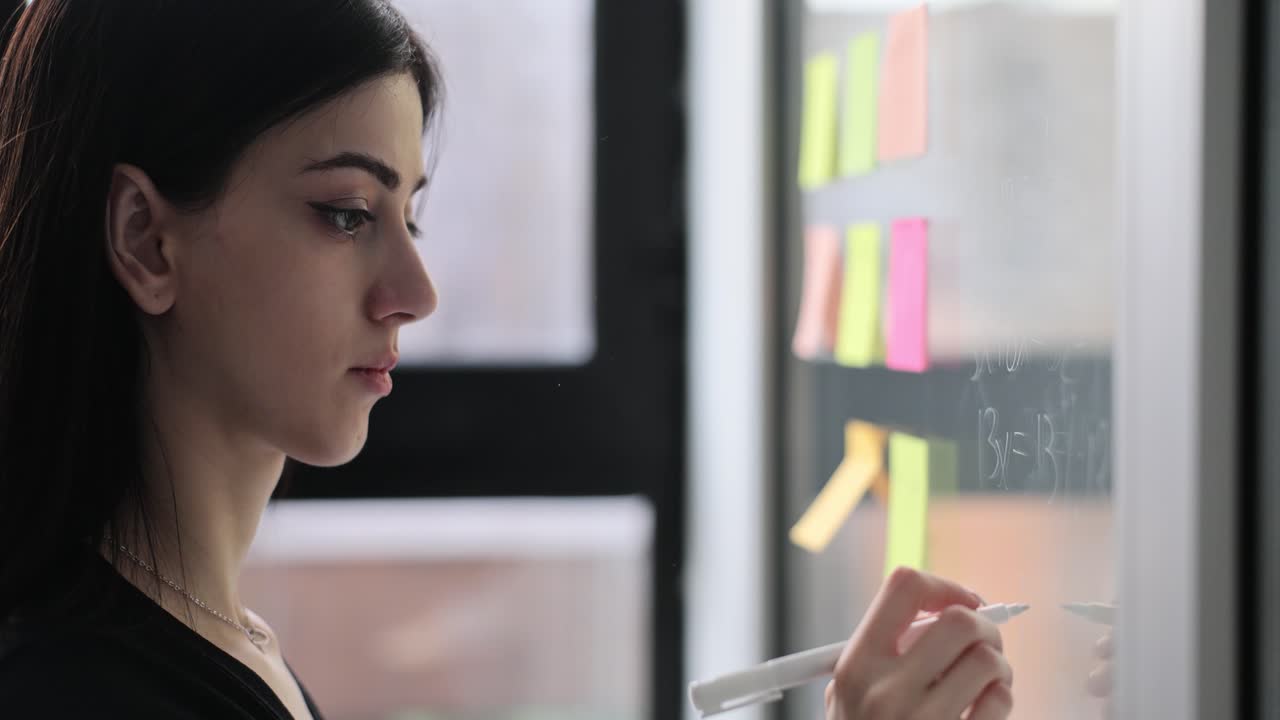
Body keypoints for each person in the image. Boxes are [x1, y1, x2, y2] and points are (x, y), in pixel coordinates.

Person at [0, 2, 1013, 718]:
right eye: (345, 214)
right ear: (145, 238)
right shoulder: (74, 685)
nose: (416, 291)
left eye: (411, 216)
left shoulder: (210, 635)